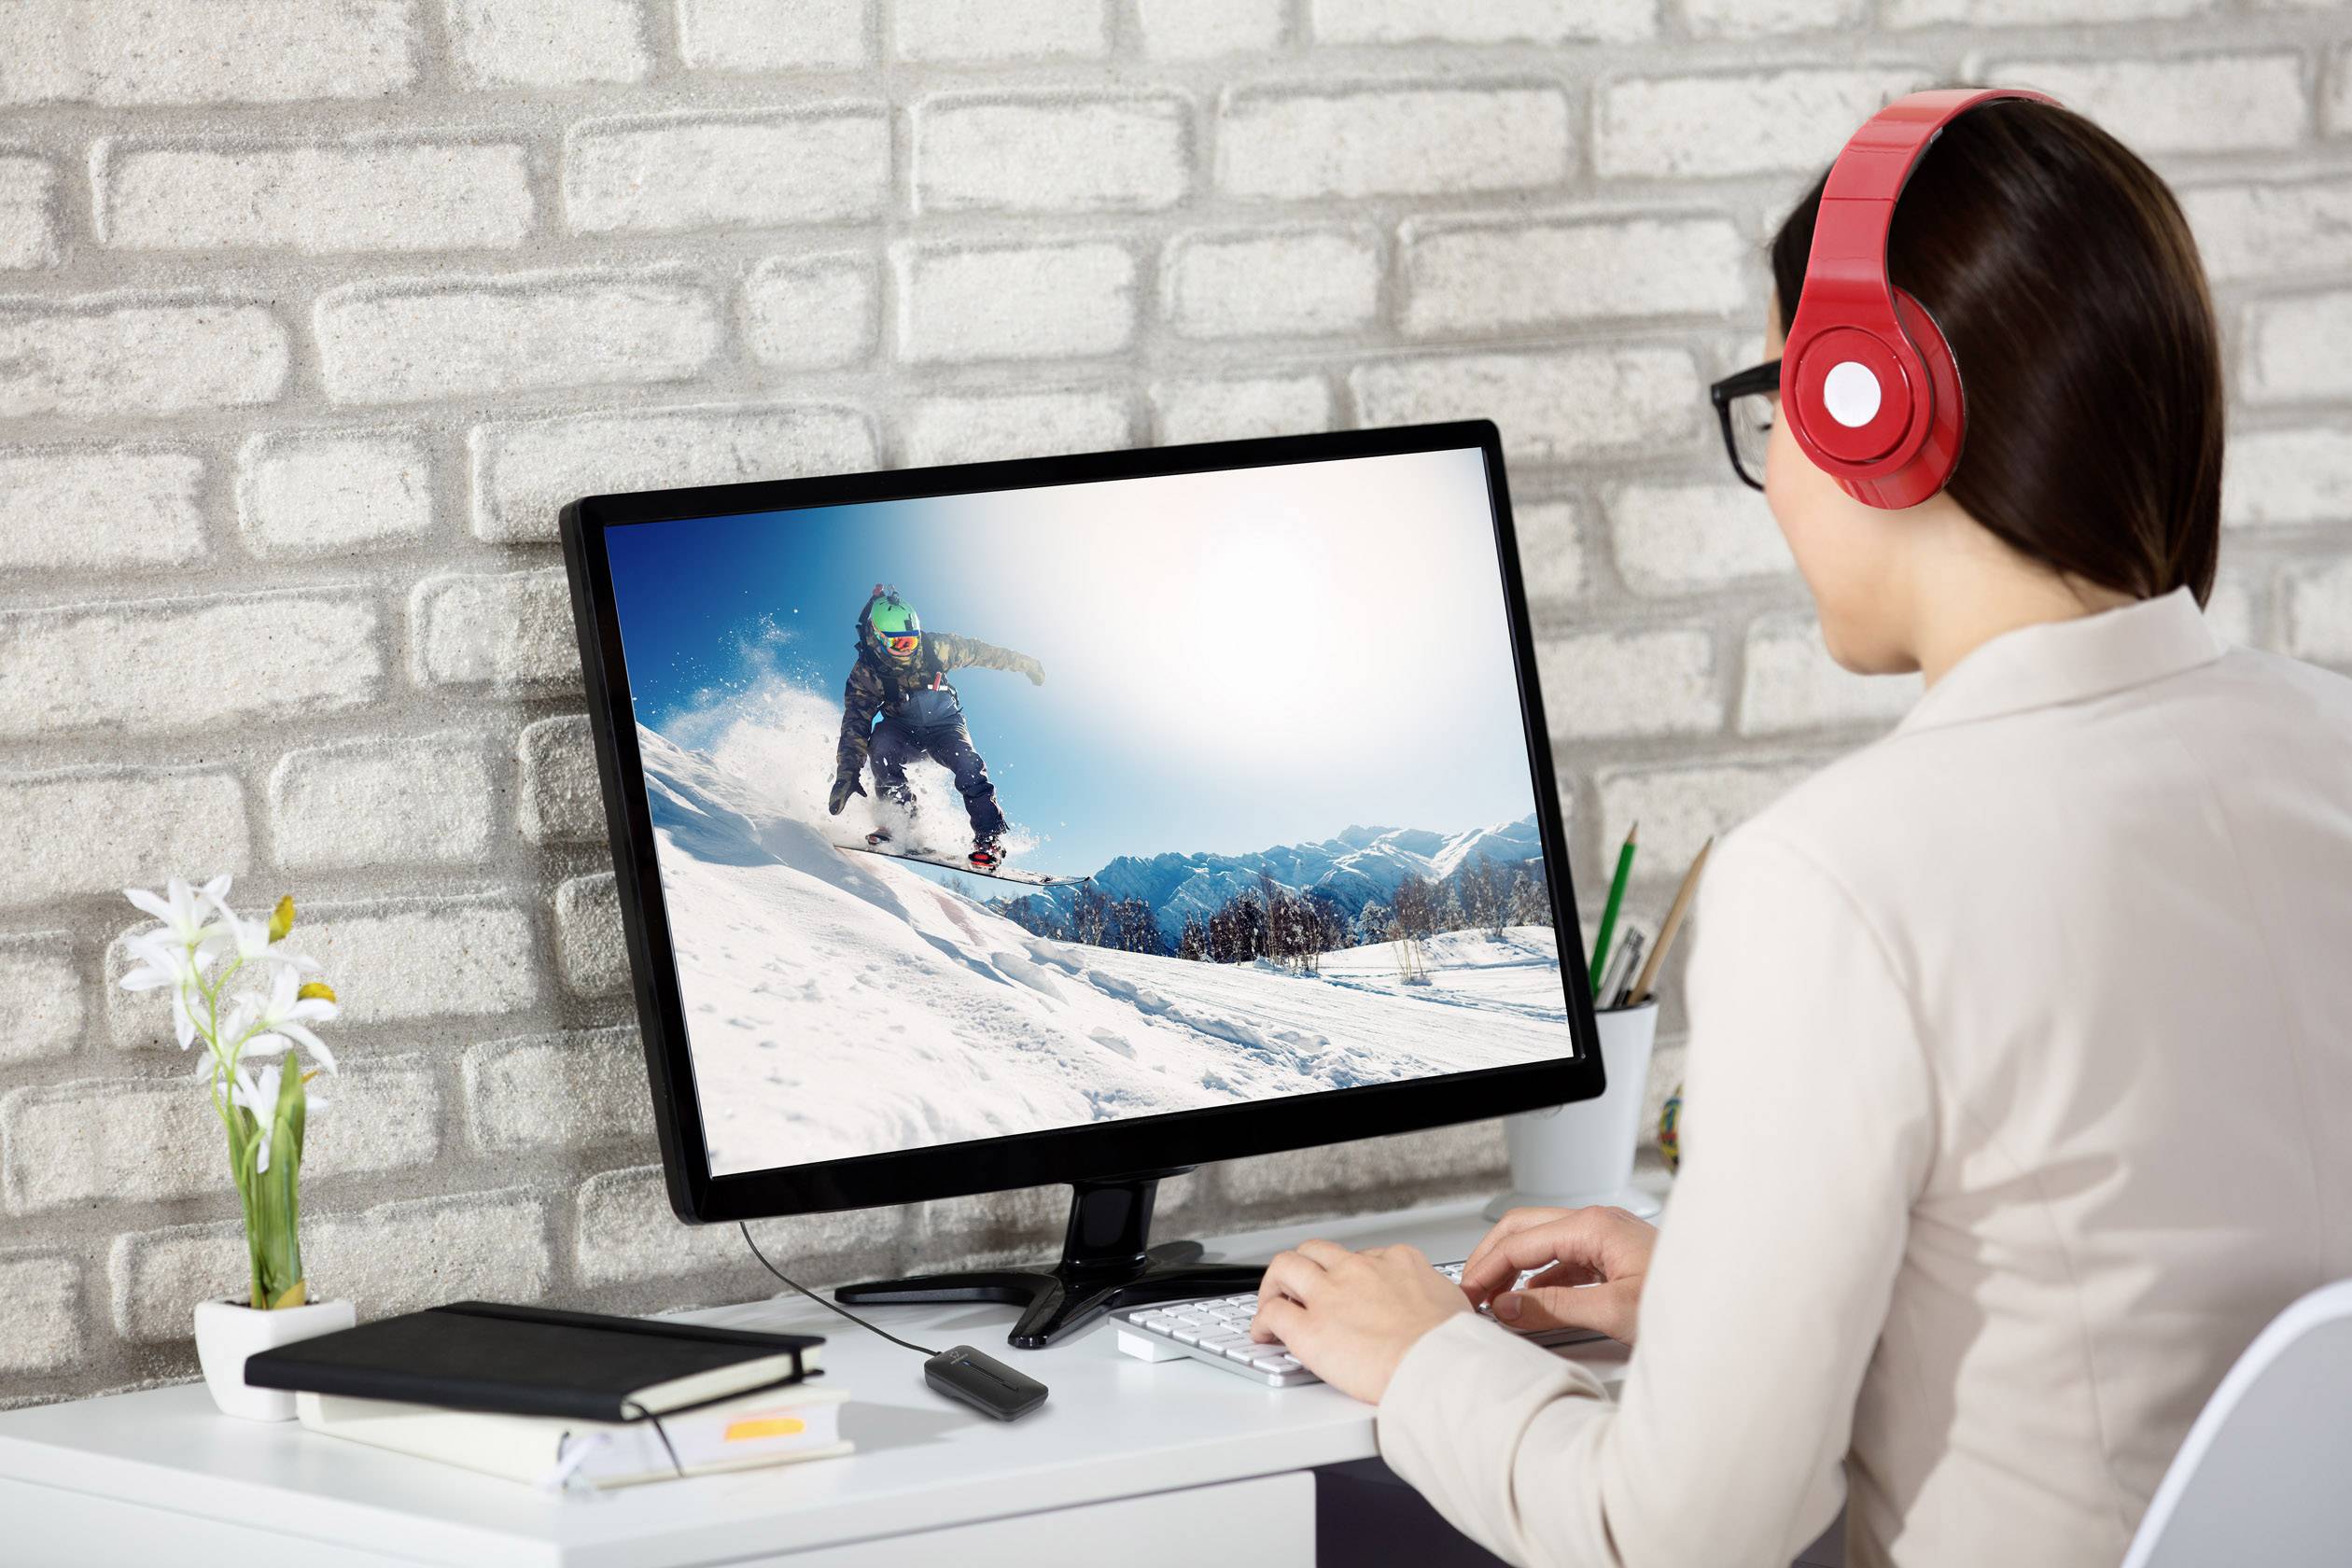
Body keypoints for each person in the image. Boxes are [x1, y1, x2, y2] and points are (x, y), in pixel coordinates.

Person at [1246, 93, 2352, 1567]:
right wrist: (1726, 1299)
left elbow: (1674, 1535)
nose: (1775, 470)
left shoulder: (1841, 881)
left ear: (1871, 411)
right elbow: (2149, 1306)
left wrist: (1418, 1354)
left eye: (1780, 401)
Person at [828, 585, 1044, 869]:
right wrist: (847, 772)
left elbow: (983, 653)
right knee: (880, 745)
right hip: (903, 729)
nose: (910, 650)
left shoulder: (935, 648)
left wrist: (1025, 664)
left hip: (945, 725)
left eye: (913, 640)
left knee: (967, 763)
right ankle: (900, 820)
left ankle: (988, 838)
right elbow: (855, 723)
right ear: (878, 640)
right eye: (900, 645)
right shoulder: (866, 673)